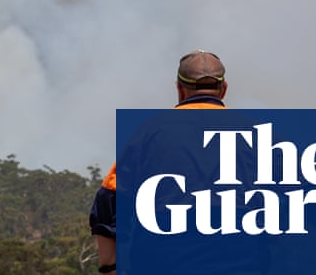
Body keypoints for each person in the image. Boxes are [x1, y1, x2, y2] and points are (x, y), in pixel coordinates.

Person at [89, 50, 231, 274]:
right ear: (223, 89)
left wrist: (110, 267)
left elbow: (108, 203)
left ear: (179, 89)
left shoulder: (147, 135)